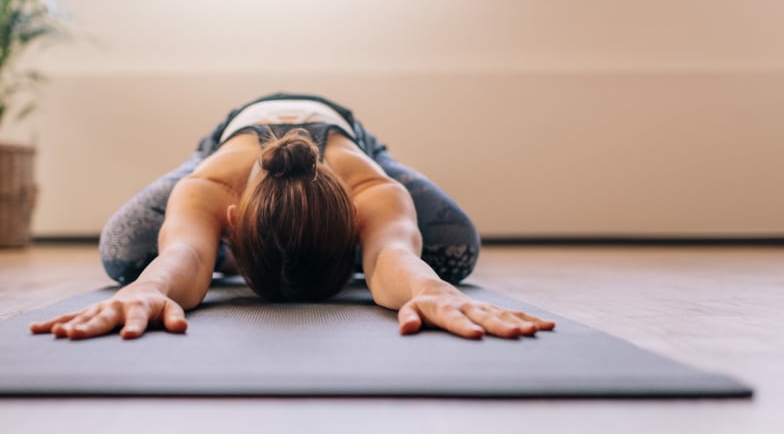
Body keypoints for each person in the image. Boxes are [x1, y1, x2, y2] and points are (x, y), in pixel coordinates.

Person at [31, 93, 554, 340]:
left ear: (356, 223)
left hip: (349, 137)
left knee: (454, 250)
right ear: (230, 222)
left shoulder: (369, 186)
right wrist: (149, 287)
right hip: (232, 139)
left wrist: (429, 288)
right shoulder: (210, 184)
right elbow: (184, 255)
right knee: (124, 255)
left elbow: (391, 254)